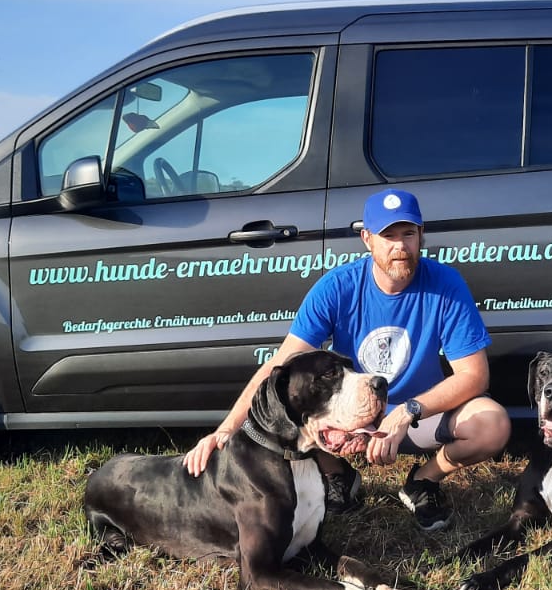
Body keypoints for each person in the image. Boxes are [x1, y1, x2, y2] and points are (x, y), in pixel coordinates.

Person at [183, 187, 510, 531]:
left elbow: (474, 376)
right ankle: (338, 477)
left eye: (408, 234)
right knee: (293, 407)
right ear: (367, 239)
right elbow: (281, 368)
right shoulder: (337, 287)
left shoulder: (446, 284)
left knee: (493, 425)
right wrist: (224, 431)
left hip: (415, 415)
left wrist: (405, 413)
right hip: (351, 414)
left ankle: (423, 481)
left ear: (421, 235)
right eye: (388, 236)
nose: (400, 246)